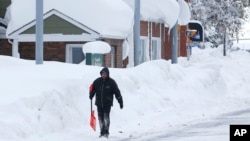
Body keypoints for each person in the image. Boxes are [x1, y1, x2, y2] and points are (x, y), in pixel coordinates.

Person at [89, 67, 123, 138]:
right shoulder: (97, 81)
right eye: (102, 74)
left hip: (107, 103)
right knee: (100, 118)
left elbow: (117, 92)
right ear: (101, 74)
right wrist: (91, 94)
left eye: (105, 74)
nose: (104, 75)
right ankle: (102, 132)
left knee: (106, 117)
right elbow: (92, 88)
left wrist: (120, 101)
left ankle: (106, 132)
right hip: (99, 103)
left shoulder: (111, 82)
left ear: (107, 74)